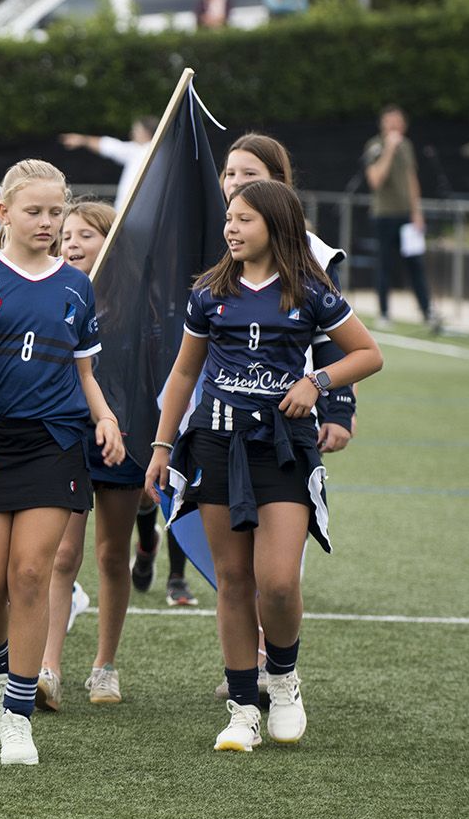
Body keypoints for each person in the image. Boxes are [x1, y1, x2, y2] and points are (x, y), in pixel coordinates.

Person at [146, 179, 383, 751]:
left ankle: (283, 679)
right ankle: (241, 708)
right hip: (215, 444)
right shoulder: (208, 292)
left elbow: (368, 354)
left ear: (276, 226)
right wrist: (160, 446)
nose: (231, 228)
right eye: (229, 218)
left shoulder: (311, 289)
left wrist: (316, 381)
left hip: (283, 448)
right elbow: (184, 372)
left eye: (244, 219)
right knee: (233, 581)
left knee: (277, 582)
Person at [0, 159, 124, 766]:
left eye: (55, 212)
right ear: (4, 213)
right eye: (34, 211)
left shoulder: (76, 285)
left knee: (29, 575)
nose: (47, 223)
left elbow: (85, 372)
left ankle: (18, 716)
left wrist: (104, 418)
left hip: (55, 443)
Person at [32, 200, 148, 711]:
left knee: (111, 554)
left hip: (123, 441)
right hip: (68, 437)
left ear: (111, 243)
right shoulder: (54, 293)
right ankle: (48, 668)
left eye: (86, 235)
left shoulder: (139, 303)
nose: (73, 244)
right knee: (62, 555)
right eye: (68, 236)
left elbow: (152, 378)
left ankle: (104, 665)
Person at [361, 106, 434, 326]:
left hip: (407, 216)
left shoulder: (407, 146)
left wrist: (417, 211)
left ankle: (427, 311)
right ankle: (384, 313)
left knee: (416, 264)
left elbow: (411, 178)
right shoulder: (375, 146)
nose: (394, 126)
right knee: (384, 264)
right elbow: (375, 180)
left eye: (398, 122)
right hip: (384, 215)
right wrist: (389, 150)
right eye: (390, 122)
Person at [61, 116, 156, 206]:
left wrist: (83, 140)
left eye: (137, 130)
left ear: (146, 132)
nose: (132, 133)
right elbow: (109, 146)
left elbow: (110, 146)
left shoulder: (144, 151)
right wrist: (83, 140)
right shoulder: (136, 150)